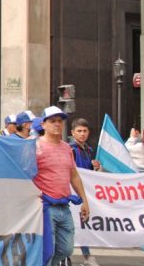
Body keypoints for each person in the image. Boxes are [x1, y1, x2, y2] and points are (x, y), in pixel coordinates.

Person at [34, 106, 89, 266]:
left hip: (64, 206)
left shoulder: (67, 148)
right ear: (43, 125)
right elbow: (27, 176)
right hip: (45, 207)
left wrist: (84, 200)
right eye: (52, 121)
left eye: (60, 121)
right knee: (47, 250)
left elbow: (74, 176)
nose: (57, 124)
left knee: (66, 249)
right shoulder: (35, 147)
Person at [68, 117, 101, 266]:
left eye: (85, 131)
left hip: (84, 191)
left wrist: (94, 166)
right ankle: (78, 255)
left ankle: (86, 255)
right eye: (79, 131)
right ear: (73, 133)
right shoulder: (71, 150)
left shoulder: (88, 149)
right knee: (77, 223)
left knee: (83, 224)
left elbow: (87, 170)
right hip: (73, 192)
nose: (82, 134)